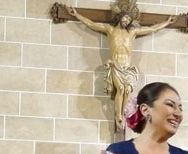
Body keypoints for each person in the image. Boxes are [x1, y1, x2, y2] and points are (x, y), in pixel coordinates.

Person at [66, 1, 176, 131]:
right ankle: (119, 115)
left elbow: (152, 29)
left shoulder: (132, 33)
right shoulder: (111, 30)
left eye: (129, 19)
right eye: (126, 17)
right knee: (121, 88)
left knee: (127, 90)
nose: (127, 20)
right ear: (120, 17)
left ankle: (123, 113)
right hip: (116, 65)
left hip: (128, 68)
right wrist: (76, 15)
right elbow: (91, 24)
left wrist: (167, 22)